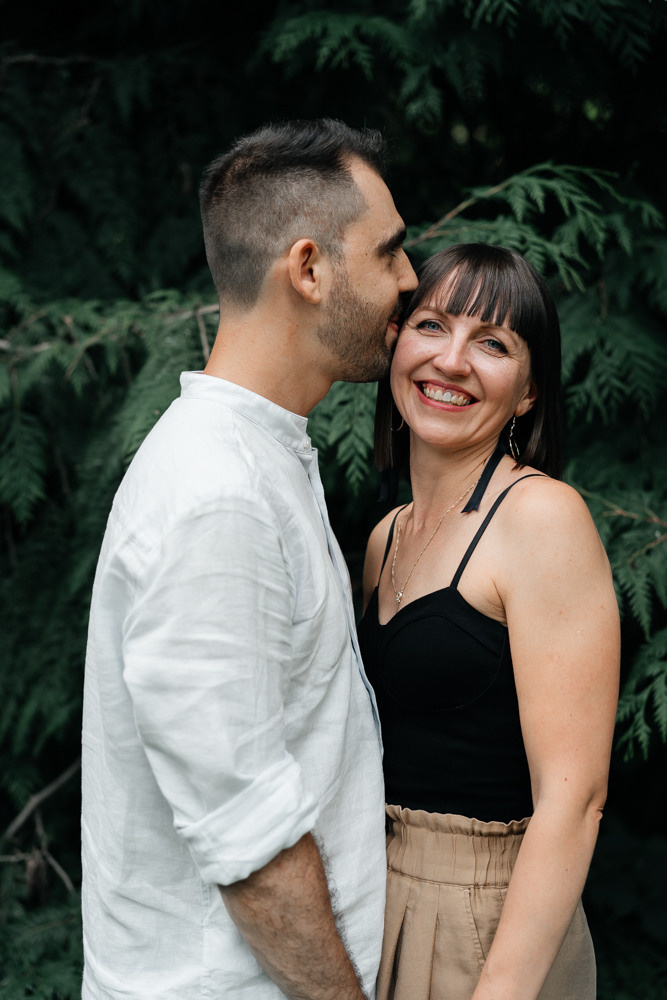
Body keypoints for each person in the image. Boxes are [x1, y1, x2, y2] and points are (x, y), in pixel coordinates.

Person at [81, 119, 417, 1000]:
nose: (410, 280)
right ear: (308, 270)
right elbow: (249, 843)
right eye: (388, 252)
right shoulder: (218, 493)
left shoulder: (256, 458)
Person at [358, 243, 620, 1000]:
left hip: (494, 925)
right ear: (396, 344)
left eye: (493, 343)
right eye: (431, 325)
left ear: (529, 392)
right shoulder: (384, 537)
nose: (451, 360)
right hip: (379, 905)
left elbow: (573, 802)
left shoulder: (541, 517)